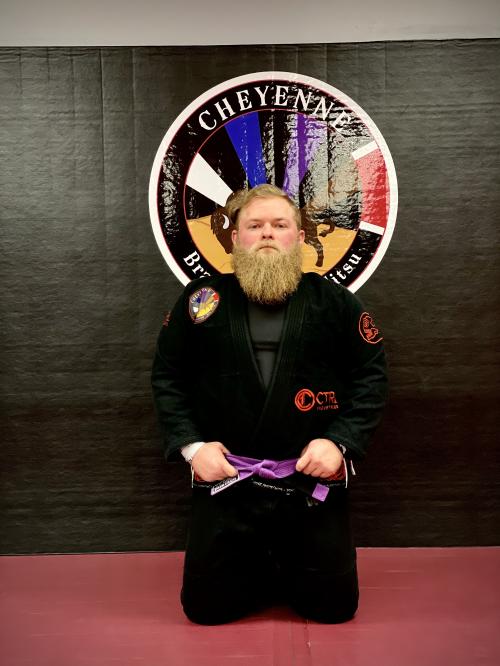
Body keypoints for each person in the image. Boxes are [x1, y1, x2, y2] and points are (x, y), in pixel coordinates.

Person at [152, 184, 388, 625]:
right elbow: (168, 377)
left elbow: (371, 376)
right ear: (234, 238)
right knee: (206, 610)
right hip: (228, 483)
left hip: (308, 486)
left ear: (299, 237)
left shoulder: (333, 302)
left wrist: (340, 442)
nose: (266, 234)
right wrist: (192, 448)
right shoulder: (201, 301)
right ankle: (261, 573)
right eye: (254, 225)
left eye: (280, 225)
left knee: (334, 609)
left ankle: (285, 571)